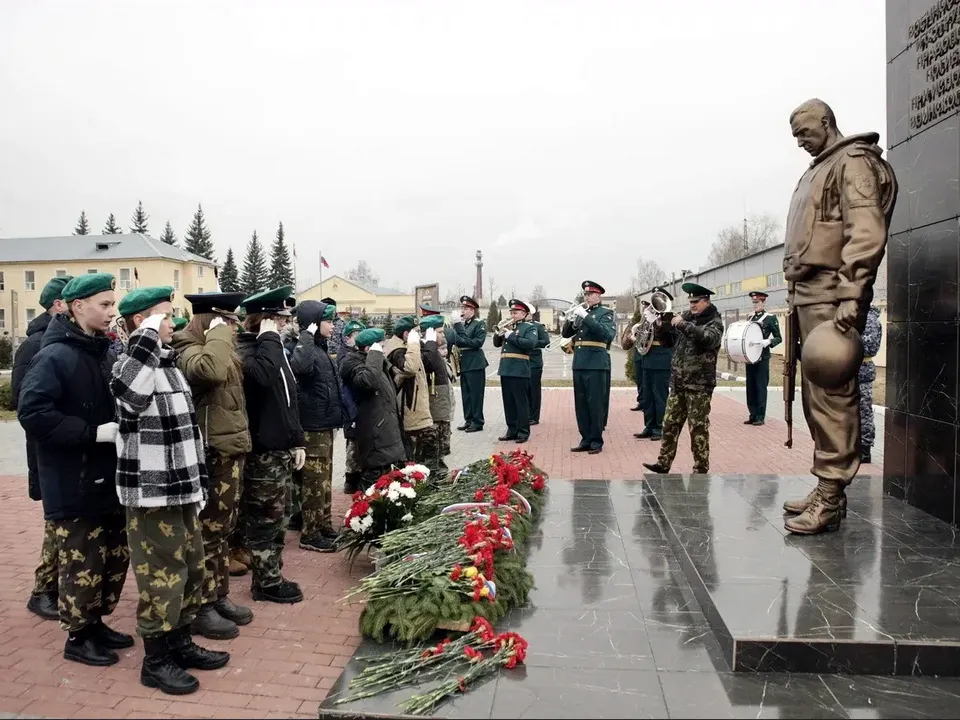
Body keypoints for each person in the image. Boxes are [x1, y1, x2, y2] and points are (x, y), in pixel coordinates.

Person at [780, 99, 897, 535]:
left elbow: (865, 229)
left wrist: (852, 294)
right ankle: (826, 485)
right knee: (816, 398)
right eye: (794, 136)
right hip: (808, 297)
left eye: (805, 132)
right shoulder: (820, 166)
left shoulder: (853, 162)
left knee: (833, 396)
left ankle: (831, 496)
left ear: (826, 123)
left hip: (833, 297)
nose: (800, 141)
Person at [111, 286, 229, 695]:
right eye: (164, 315)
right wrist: (144, 333)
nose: (173, 322)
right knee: (162, 577)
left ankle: (179, 643)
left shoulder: (167, 362)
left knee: (191, 567)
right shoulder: (129, 362)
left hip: (179, 489)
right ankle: (156, 660)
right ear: (142, 322)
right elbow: (131, 396)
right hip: (151, 495)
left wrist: (199, 484)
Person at [17, 273, 132, 666]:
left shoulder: (102, 351)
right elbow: (33, 412)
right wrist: (90, 432)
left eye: (113, 304)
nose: (111, 312)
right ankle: (78, 636)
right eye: (104, 304)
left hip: (108, 476)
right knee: (83, 561)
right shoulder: (55, 356)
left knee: (112, 557)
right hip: (76, 479)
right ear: (77, 307)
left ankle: (96, 623)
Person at [171, 291, 254, 640]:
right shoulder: (187, 347)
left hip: (227, 448)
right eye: (228, 322)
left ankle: (218, 595)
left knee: (222, 528)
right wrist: (218, 334)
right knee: (206, 531)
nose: (234, 328)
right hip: (210, 451)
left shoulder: (216, 345)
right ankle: (201, 605)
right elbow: (210, 372)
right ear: (211, 321)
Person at [237, 286, 306, 603]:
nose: (284, 325)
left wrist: (297, 440)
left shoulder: (271, 350)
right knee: (265, 519)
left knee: (279, 517)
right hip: (262, 453)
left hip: (279, 449)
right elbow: (262, 380)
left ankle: (272, 574)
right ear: (263, 321)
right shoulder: (250, 352)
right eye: (278, 319)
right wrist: (268, 339)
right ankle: (265, 583)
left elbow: (288, 401)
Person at [12, 274, 72, 621]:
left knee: (64, 524)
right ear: (59, 305)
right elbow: (27, 404)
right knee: (57, 523)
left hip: (67, 451)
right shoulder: (37, 345)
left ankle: (55, 587)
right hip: (51, 452)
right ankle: (44, 591)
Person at [643, 283, 724, 475]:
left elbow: (707, 339)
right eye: (690, 302)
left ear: (706, 301)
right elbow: (668, 343)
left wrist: (683, 325)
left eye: (696, 302)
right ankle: (663, 463)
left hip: (699, 384)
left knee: (697, 428)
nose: (692, 305)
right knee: (670, 423)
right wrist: (660, 326)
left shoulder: (715, 321)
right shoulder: (686, 318)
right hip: (679, 382)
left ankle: (701, 467)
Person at [286, 300, 342, 553]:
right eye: (328, 321)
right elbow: (301, 367)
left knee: (324, 480)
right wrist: (306, 335)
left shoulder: (318, 347)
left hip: (324, 423)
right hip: (311, 426)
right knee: (313, 482)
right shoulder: (301, 347)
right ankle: (310, 532)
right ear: (313, 322)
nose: (332, 326)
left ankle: (323, 525)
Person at [339, 328, 406, 489]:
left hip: (385, 432)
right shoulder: (354, 364)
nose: (384, 351)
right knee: (373, 486)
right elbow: (369, 382)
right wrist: (375, 356)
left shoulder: (377, 364)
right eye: (381, 347)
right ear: (369, 350)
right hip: (374, 434)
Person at [562, 281, 616, 454]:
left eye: (590, 294)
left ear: (598, 296)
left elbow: (606, 335)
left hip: (596, 364)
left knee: (595, 404)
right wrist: (570, 320)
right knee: (581, 404)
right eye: (585, 294)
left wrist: (585, 317)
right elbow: (565, 334)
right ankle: (585, 438)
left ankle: (596, 441)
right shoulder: (581, 313)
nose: (586, 297)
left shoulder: (606, 313)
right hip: (579, 363)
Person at [383, 315, 437, 470]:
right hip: (408, 413)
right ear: (406, 334)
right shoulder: (398, 351)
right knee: (411, 459)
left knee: (423, 455)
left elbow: (428, 364)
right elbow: (411, 368)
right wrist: (414, 344)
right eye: (416, 332)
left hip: (417, 411)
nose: (419, 335)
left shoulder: (410, 348)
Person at [492, 299, 538, 443]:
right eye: (511, 312)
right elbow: (496, 344)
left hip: (519, 369)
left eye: (516, 312)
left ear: (524, 314)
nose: (512, 315)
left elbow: (529, 344)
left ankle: (523, 432)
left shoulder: (529, 328)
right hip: (506, 368)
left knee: (520, 402)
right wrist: (499, 333)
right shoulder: (508, 326)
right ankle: (511, 429)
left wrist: (511, 336)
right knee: (509, 402)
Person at [634, 288, 675, 442]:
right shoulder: (648, 316)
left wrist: (656, 323)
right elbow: (643, 337)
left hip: (661, 360)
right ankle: (649, 426)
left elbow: (668, 338)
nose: (654, 306)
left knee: (660, 396)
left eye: (658, 302)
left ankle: (660, 427)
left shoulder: (670, 317)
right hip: (648, 358)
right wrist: (638, 329)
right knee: (648, 396)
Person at [419, 313, 453, 474]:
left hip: (441, 408)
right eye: (439, 332)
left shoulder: (433, 350)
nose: (443, 335)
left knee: (441, 448)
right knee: (431, 449)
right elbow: (428, 363)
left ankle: (440, 472)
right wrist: (430, 342)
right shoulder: (425, 349)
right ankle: (433, 477)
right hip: (432, 410)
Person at [743, 291, 782, 426]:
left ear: (763, 302)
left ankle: (760, 416)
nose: (755, 305)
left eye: (757, 302)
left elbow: (779, 337)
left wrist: (768, 342)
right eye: (753, 302)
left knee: (760, 386)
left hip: (762, 357)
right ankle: (752, 414)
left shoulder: (770, 318)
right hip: (750, 357)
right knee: (750, 387)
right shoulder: (750, 318)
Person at [451, 296, 487, 432]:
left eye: (465, 308)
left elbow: (478, 343)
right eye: (462, 308)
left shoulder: (479, 323)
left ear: (472, 310)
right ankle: (469, 419)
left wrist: (459, 334)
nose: (463, 311)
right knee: (466, 394)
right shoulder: (464, 324)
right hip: (465, 362)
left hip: (475, 362)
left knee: (476, 394)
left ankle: (478, 422)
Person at [339, 320, 365, 494]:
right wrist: (353, 413)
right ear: (348, 338)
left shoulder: (357, 353)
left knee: (359, 443)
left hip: (359, 406)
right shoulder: (345, 357)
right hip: (351, 408)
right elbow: (344, 390)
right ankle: (351, 480)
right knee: (353, 446)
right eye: (356, 336)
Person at [858, 305, 883, 464]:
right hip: (845, 371)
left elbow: (870, 348)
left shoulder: (870, 319)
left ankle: (865, 449)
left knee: (863, 410)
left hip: (862, 371)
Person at [528, 309, 550, 425]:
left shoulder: (538, 326)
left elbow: (546, 341)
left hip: (534, 361)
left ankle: (534, 416)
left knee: (534, 390)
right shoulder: (518, 326)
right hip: (522, 361)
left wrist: (530, 342)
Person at [631, 300, 650, 412]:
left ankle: (646, 402)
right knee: (639, 380)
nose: (644, 310)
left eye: (646, 307)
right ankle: (641, 401)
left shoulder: (652, 322)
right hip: (638, 354)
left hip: (647, 354)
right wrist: (634, 336)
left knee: (646, 381)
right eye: (643, 308)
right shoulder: (640, 323)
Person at [320, 297, 346, 362]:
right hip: (323, 357)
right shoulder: (319, 323)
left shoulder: (342, 324)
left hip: (339, 358)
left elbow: (346, 343)